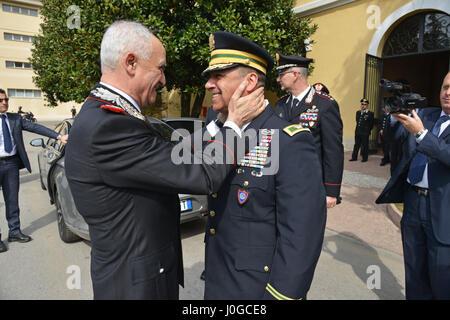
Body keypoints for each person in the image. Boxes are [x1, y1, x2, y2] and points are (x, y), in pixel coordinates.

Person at [64, 21, 265, 300]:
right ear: (131, 63)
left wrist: (216, 126)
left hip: (134, 275)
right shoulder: (109, 126)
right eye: (160, 68)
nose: (164, 80)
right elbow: (204, 176)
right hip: (137, 286)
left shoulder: (106, 115)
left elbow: (164, 154)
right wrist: (234, 124)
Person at [202, 31, 326, 300]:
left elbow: (301, 237)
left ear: (250, 81)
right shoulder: (222, 135)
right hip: (218, 283)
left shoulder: (289, 141)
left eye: (218, 76)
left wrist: (279, 297)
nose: (209, 84)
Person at [376, 71, 450, 299]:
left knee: (441, 277)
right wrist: (393, 113)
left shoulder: (422, 125)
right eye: (445, 86)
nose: (448, 92)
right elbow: (394, 138)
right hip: (413, 203)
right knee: (414, 272)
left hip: (443, 209)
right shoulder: (426, 115)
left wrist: (421, 134)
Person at [0, 89, 68, 253]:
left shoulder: (15, 118)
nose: (4, 102)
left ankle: (14, 231)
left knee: (12, 200)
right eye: (1, 100)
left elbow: (35, 127)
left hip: (10, 164)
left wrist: (58, 136)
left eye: (6, 99)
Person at [274, 53, 343, 208]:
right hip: (281, 183)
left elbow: (333, 151)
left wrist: (331, 191)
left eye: (281, 74)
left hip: (310, 185)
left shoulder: (325, 105)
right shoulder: (280, 105)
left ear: (295, 74)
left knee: (306, 230)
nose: (278, 79)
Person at [350, 98, 374, 162]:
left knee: (365, 145)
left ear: (367, 105)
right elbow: (357, 121)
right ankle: (354, 157)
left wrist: (367, 131)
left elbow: (371, 124)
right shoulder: (358, 112)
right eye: (362, 104)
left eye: (365, 105)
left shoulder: (370, 113)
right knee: (356, 145)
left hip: (365, 132)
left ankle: (364, 158)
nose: (363, 106)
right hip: (358, 132)